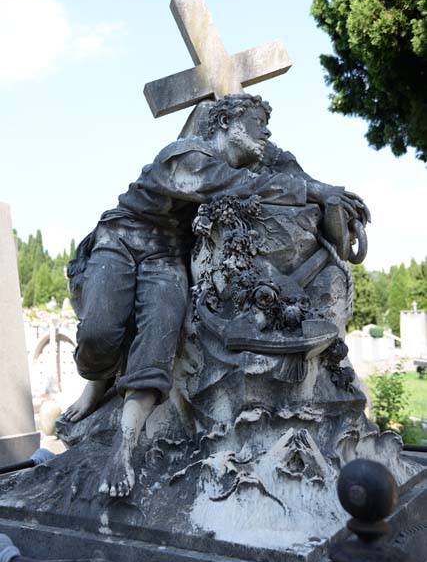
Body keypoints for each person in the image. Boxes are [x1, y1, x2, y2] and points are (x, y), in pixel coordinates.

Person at [64, 93, 368, 498]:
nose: (267, 132)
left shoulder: (251, 159)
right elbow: (241, 185)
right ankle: (96, 381)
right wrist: (317, 189)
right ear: (226, 122)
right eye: (258, 122)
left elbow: (279, 171)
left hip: (166, 255)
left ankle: (125, 446)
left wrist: (330, 200)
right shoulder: (184, 156)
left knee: (160, 338)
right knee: (98, 333)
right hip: (121, 239)